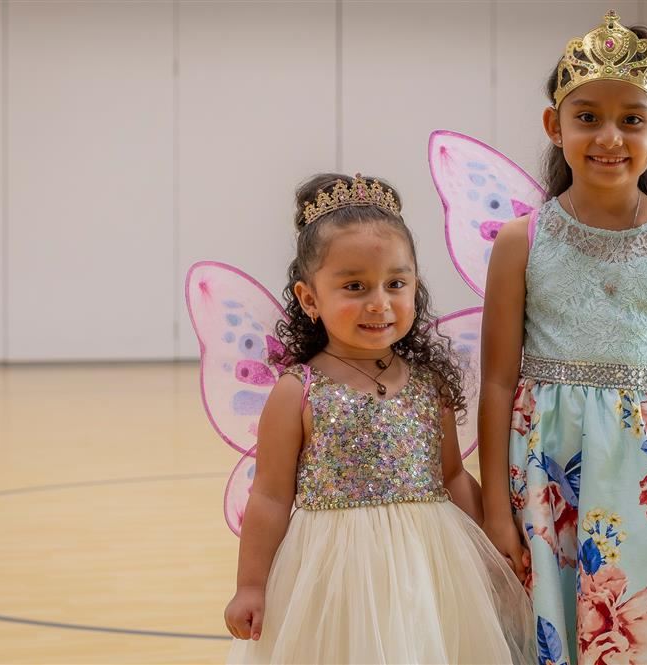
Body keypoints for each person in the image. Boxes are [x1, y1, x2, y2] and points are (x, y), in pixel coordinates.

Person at [477, 12, 647, 664]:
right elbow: (494, 380)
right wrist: (493, 508)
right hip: (546, 485)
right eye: (587, 116)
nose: (609, 136)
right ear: (554, 125)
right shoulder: (520, 243)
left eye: (632, 118)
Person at [224, 173, 533, 664]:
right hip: (336, 572)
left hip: (430, 566)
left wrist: (493, 549)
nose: (379, 303)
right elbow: (269, 496)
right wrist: (251, 586)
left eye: (396, 283)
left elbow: (451, 475)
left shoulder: (429, 384)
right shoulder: (297, 392)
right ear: (309, 299)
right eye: (354, 286)